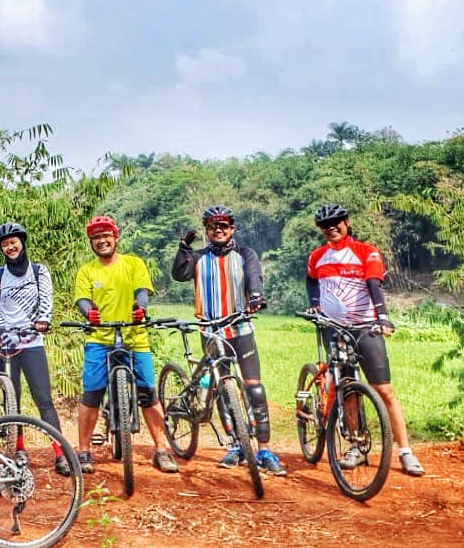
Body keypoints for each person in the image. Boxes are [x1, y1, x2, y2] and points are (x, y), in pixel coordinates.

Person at [306, 203, 425, 477]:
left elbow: (374, 284)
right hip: (333, 329)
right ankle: (357, 446)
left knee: (384, 389)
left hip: (365, 327)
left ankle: (406, 451)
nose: (331, 228)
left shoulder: (365, 251)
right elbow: (311, 280)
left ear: (346, 222)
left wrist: (382, 317)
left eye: (336, 222)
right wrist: (314, 303)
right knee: (347, 387)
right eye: (325, 225)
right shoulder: (317, 256)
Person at [171, 204, 287, 476]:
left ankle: (264, 449)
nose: (219, 230)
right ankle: (236, 445)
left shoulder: (245, 254)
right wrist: (184, 248)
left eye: (224, 225)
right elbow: (179, 274)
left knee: (254, 386)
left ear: (232, 229)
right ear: (207, 231)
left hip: (240, 328)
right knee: (223, 387)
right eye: (213, 226)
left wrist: (256, 297)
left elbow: (254, 279)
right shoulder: (199, 257)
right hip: (211, 331)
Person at [73, 214, 179, 475]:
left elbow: (141, 291)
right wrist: (90, 314)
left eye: (105, 235)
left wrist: (140, 308)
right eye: (96, 238)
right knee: (92, 393)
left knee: (147, 392)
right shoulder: (88, 270)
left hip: (135, 337)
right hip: (100, 338)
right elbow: (82, 299)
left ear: (115, 237)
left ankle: (161, 449)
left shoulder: (133, 263)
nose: (101, 241)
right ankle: (84, 450)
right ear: (91, 243)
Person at [0, 222, 68, 476]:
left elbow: (46, 304)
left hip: (30, 341)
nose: (10, 247)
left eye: (14, 242)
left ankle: (60, 452)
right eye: (5, 244)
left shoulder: (39, 272)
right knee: (13, 400)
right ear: (2, 248)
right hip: (3, 342)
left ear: (22, 242)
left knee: (43, 399)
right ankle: (19, 449)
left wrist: (43, 322)